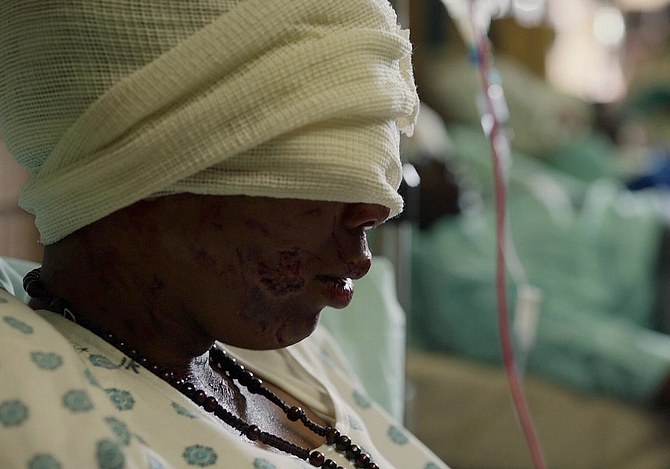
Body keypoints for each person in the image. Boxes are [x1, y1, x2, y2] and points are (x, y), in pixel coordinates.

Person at [0, 1, 449, 468]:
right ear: (149, 176)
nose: (363, 253)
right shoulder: (40, 394)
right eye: (332, 174)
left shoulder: (290, 355)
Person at [406, 105, 670, 467]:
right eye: (416, 164)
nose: (441, 163)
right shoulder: (455, 284)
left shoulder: (464, 173)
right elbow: (623, 361)